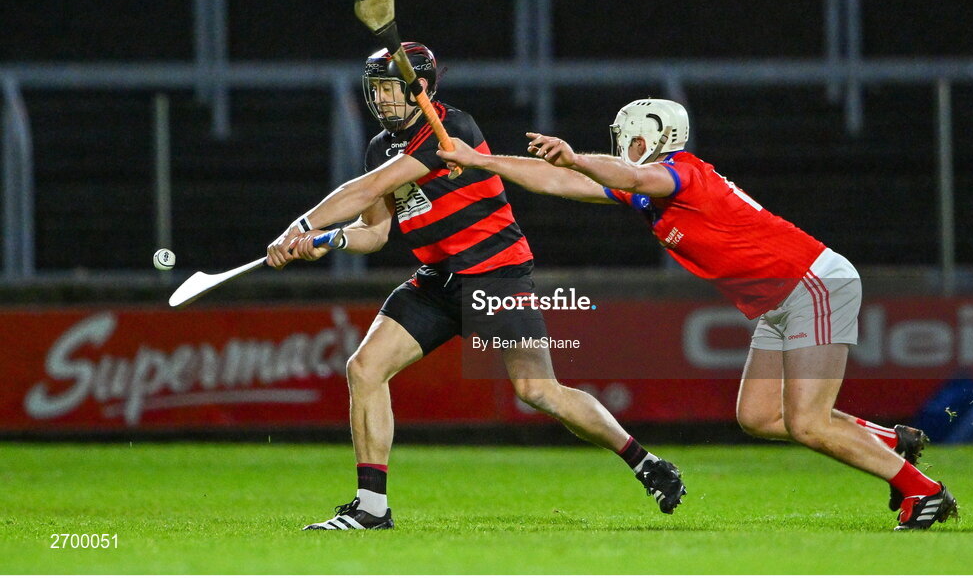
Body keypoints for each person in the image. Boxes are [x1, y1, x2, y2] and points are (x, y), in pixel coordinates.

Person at [437, 98, 957, 532]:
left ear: (655, 140)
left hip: (811, 285)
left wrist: (575, 157)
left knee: (807, 422)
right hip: (782, 300)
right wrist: (481, 161)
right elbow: (553, 182)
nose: (626, 146)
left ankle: (924, 491)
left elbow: (618, 171)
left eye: (633, 139)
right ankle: (893, 441)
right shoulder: (646, 188)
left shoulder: (680, 175)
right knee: (758, 417)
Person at [266, 46, 685, 530]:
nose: (381, 100)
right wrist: (329, 238)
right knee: (364, 369)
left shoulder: (452, 130)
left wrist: (296, 225)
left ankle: (644, 462)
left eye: (389, 89)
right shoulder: (380, 146)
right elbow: (375, 232)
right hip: (435, 284)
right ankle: (371, 508)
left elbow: (363, 189)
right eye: (375, 89)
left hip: (496, 278)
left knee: (538, 391)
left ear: (418, 90)